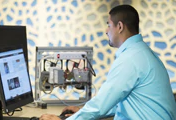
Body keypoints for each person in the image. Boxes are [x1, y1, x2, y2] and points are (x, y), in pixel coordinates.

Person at [40, 4, 176, 120]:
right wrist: (81, 111)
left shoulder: (130, 59)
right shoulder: (142, 53)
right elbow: (118, 103)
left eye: (108, 25)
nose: (106, 31)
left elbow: (100, 106)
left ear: (120, 27)